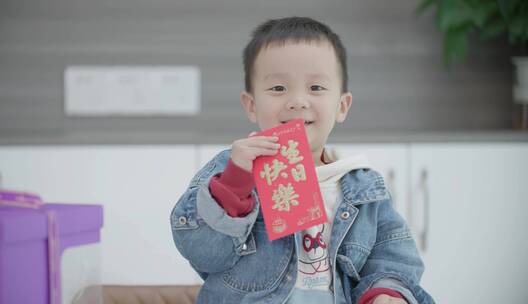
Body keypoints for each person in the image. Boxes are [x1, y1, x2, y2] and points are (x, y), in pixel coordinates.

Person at [170, 16, 434, 304]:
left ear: (342, 106)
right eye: (278, 89)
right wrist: (235, 185)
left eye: (316, 88)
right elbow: (202, 253)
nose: (297, 101)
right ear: (251, 105)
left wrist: (387, 292)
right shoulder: (230, 172)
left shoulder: (365, 186)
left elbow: (392, 253)